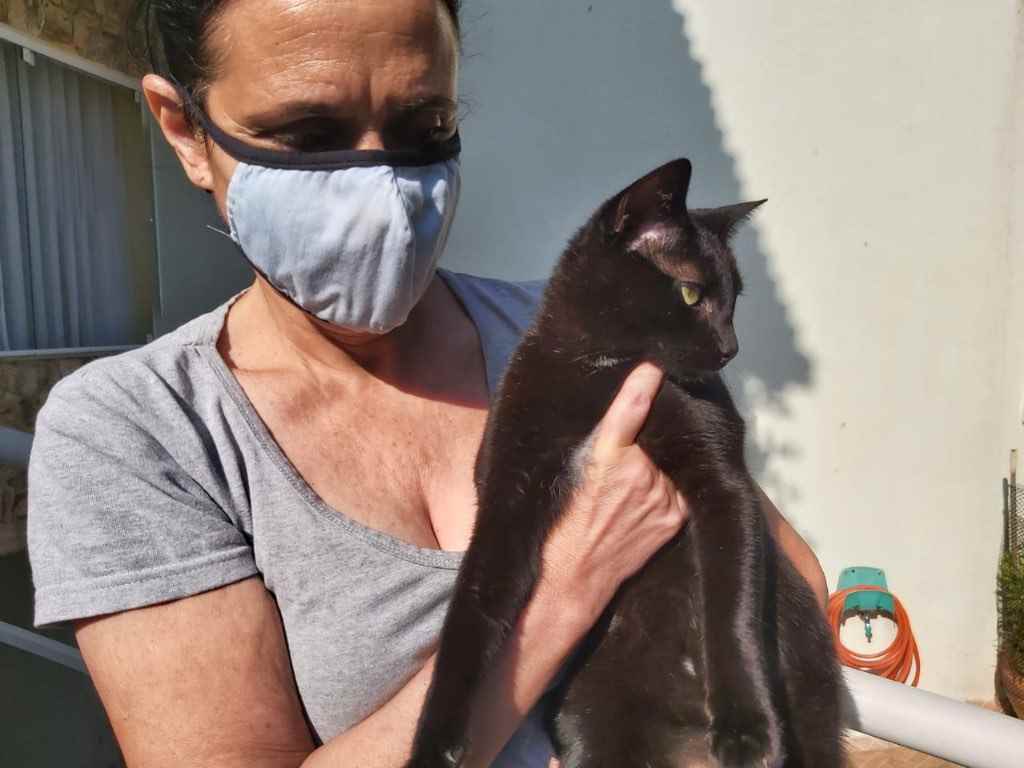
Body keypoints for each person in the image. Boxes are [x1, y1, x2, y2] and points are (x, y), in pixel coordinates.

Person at [26, 1, 828, 766]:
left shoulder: (582, 335)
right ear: (185, 131)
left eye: (426, 128)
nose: (381, 187)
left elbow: (791, 581)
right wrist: (566, 585)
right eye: (309, 134)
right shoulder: (144, 430)